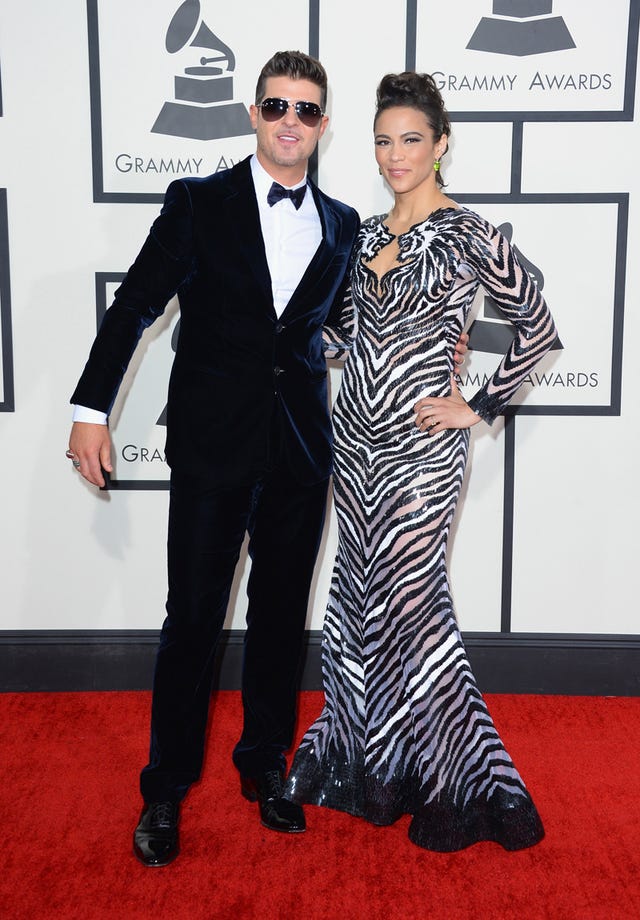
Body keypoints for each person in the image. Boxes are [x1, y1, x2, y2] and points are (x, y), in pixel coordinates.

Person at [67, 50, 361, 867]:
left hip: (300, 451)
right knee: (193, 619)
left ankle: (264, 761)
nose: (291, 122)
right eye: (277, 106)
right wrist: (91, 411)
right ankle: (165, 787)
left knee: (280, 618)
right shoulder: (198, 202)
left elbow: (333, 327)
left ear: (324, 124)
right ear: (253, 113)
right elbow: (135, 305)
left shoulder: (342, 223)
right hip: (211, 449)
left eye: (307, 109)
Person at [285, 71, 558, 852]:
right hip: (354, 445)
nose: (395, 154)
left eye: (411, 139)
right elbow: (341, 336)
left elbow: (538, 329)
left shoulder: (471, 233)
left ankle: (458, 783)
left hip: (423, 453)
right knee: (358, 601)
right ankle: (374, 768)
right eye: (383, 140)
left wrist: (477, 404)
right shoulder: (362, 234)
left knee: (416, 607)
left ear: (441, 145)